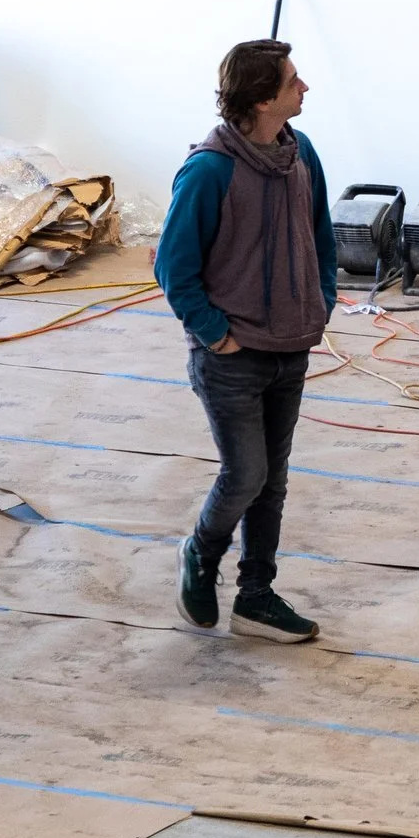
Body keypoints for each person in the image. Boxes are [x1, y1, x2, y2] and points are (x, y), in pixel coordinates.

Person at [154, 39, 336, 644]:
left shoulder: (301, 153)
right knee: (246, 474)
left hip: (292, 345)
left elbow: (321, 234)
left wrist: (321, 301)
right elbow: (173, 268)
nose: (304, 87)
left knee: (272, 481)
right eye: (292, 80)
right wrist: (215, 335)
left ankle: (256, 596)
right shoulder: (209, 170)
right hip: (232, 356)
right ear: (262, 99)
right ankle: (201, 552)